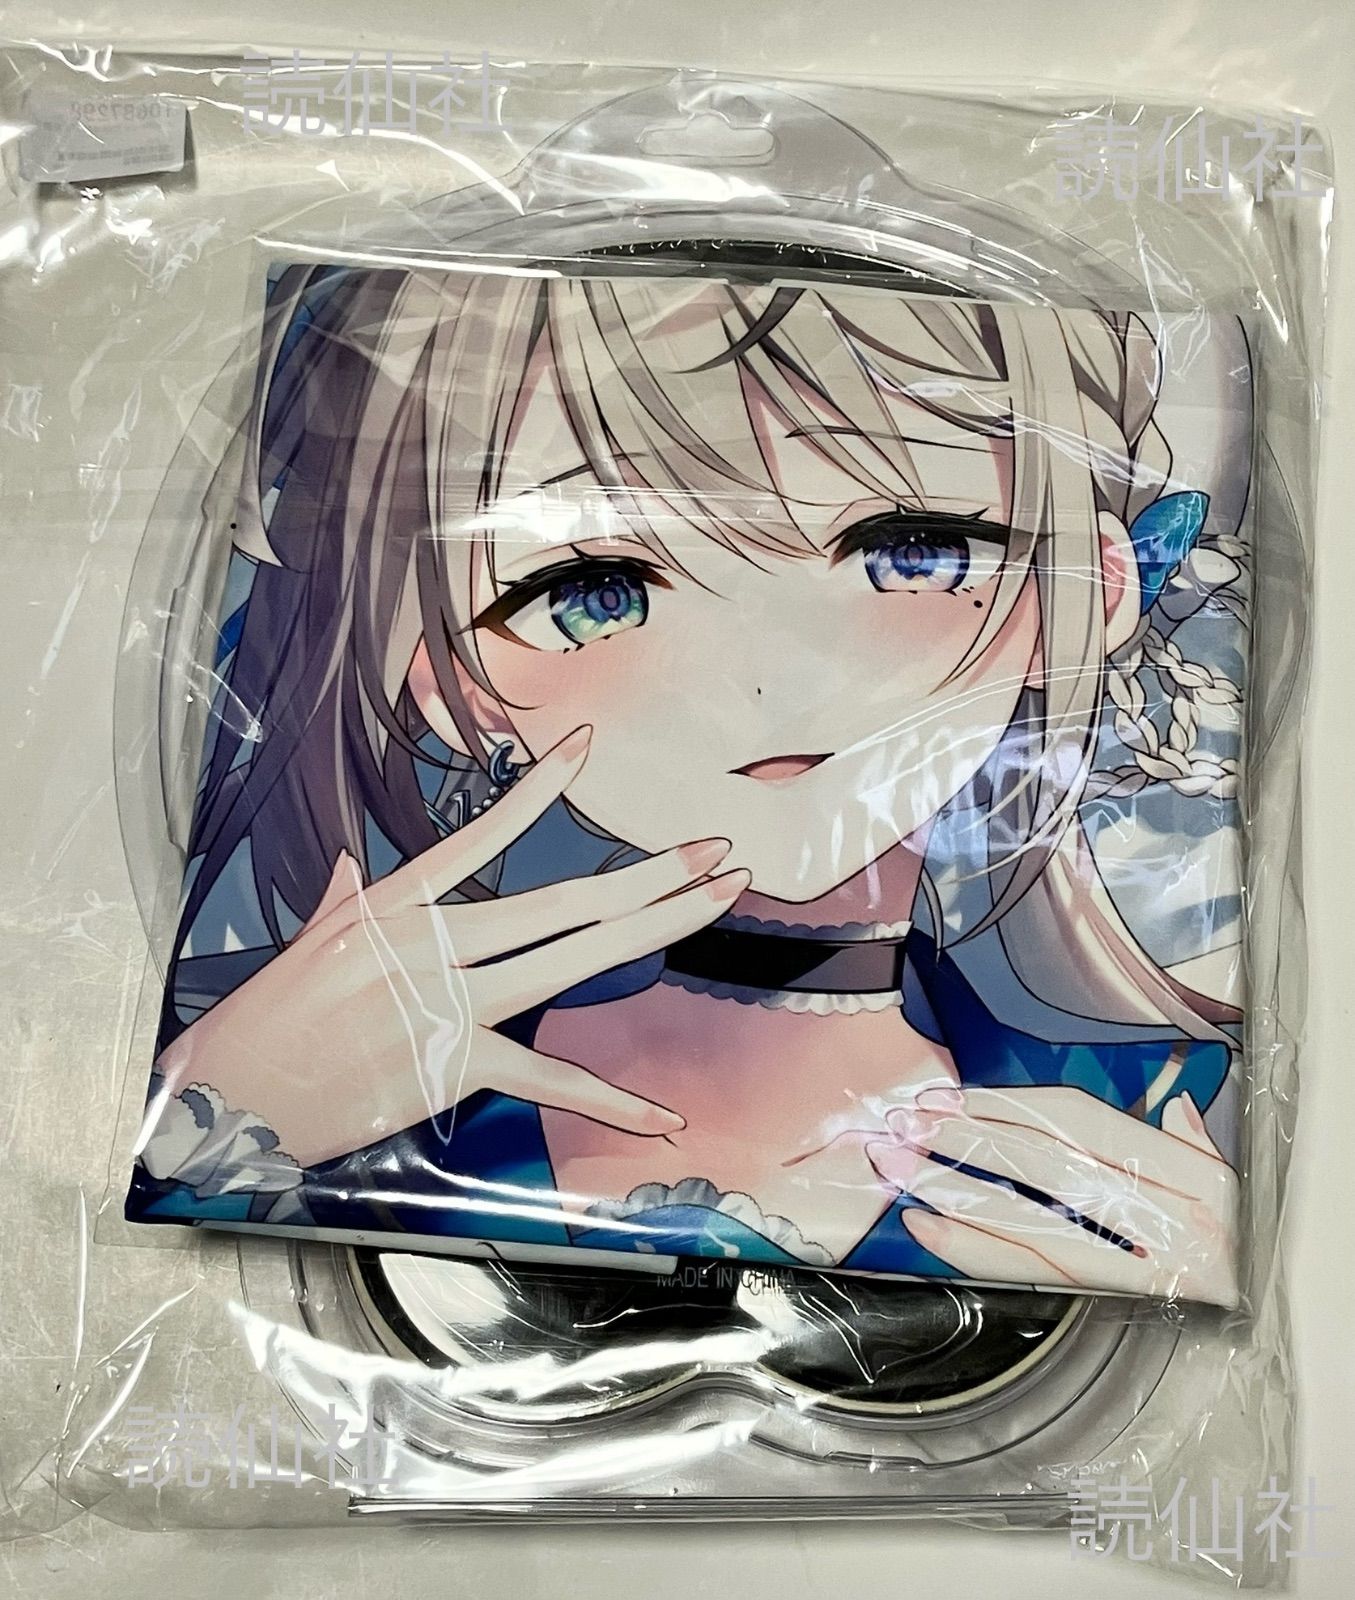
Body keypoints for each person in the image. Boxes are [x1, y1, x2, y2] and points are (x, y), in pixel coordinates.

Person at [129, 264, 1245, 1305]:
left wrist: (1201, 1263)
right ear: (444, 674)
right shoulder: (298, 1077)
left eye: (910, 551)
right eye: (596, 592)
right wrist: (219, 1121)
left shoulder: (1163, 1114)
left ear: (1094, 588)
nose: (766, 682)